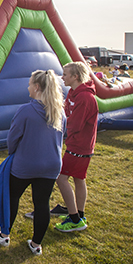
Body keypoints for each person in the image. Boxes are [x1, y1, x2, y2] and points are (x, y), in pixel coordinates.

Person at [0, 69, 65, 256]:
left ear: (37, 87)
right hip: (51, 164)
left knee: (12, 196)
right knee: (42, 203)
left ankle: (5, 234)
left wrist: (13, 153)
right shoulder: (59, 112)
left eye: (30, 83)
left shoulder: (26, 110)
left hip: (26, 163)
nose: (28, 87)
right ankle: (36, 244)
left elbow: (13, 138)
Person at [55, 62, 98, 233]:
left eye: (65, 74)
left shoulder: (85, 98)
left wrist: (57, 129)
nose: (63, 77)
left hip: (80, 146)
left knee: (61, 178)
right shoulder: (73, 93)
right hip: (76, 144)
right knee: (79, 179)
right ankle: (79, 213)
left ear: (75, 77)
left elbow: (75, 124)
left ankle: (74, 219)